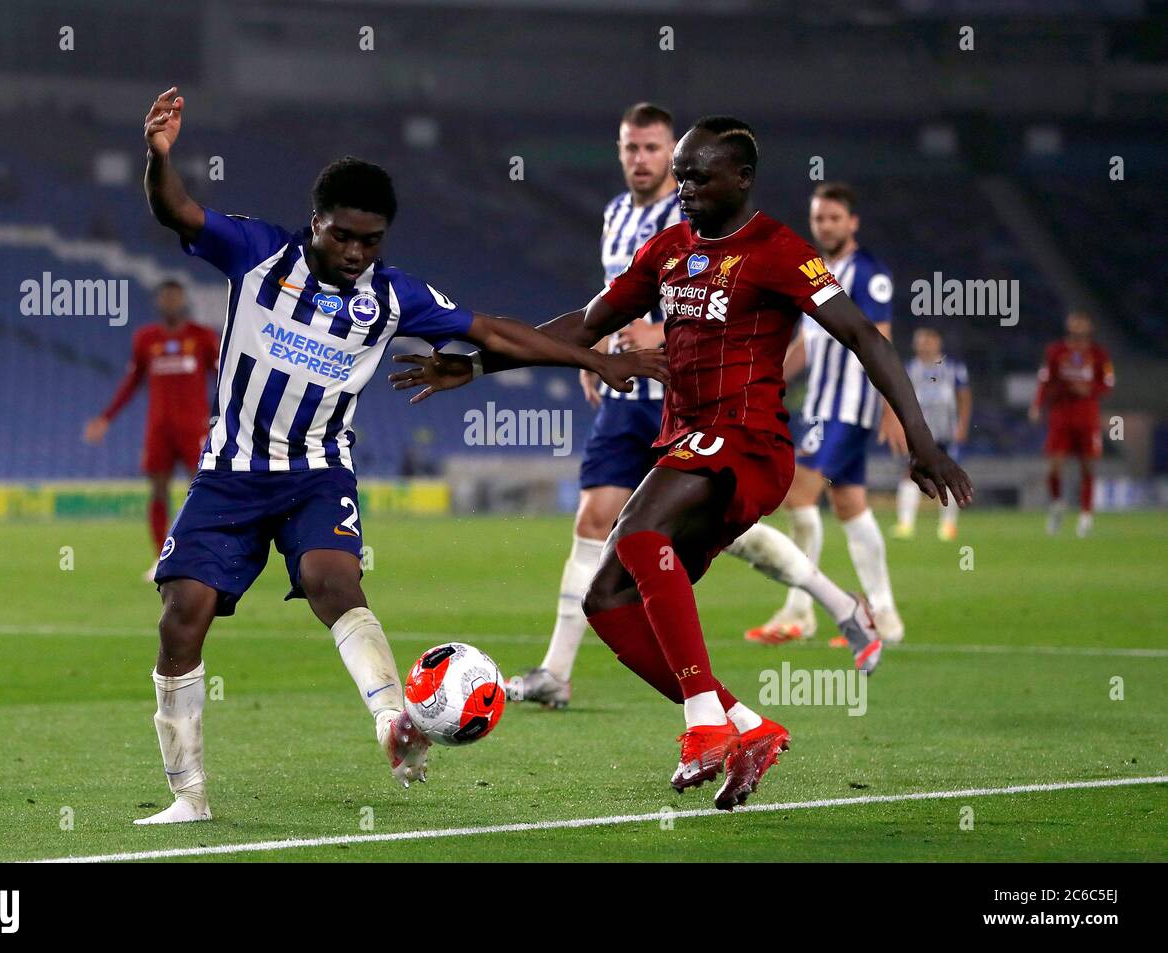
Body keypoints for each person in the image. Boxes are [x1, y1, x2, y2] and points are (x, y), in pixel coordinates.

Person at [391, 117, 971, 809]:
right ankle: (748, 726)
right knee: (607, 600)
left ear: (742, 179)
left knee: (636, 533)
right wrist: (480, 363)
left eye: (701, 175)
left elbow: (862, 338)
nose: (687, 187)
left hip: (750, 441)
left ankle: (702, 724)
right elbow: (588, 321)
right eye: (684, 174)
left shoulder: (780, 251)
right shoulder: (667, 247)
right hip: (688, 440)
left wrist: (923, 436)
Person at [135, 86, 664, 824]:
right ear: (316, 221)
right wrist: (159, 157)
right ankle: (188, 793)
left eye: (371, 240)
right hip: (232, 469)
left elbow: (493, 330)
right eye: (344, 235)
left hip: (317, 469)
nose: (356, 252)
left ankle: (395, 723)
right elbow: (177, 210)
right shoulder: (257, 253)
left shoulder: (390, 296)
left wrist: (591, 358)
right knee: (180, 616)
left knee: (333, 581)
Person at [512, 104, 880, 709]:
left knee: (696, 536)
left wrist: (660, 333)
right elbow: (604, 307)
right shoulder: (616, 217)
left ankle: (832, 610)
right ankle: (562, 671)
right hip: (632, 400)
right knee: (598, 524)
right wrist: (591, 356)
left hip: (705, 407)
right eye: (630, 148)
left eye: (652, 149)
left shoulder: (705, 217)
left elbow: (709, 309)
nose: (642, 161)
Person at [745, 182, 907, 645]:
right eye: (818, 218)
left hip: (848, 408)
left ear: (852, 222)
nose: (825, 225)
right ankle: (886, 617)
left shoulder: (869, 273)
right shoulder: (814, 273)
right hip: (821, 408)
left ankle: (800, 612)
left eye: (834, 218)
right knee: (849, 505)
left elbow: (880, 341)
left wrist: (893, 408)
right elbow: (806, 346)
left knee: (798, 495)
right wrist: (765, 378)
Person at [85, 279, 219, 580]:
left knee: (201, 491)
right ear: (159, 302)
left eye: (175, 297)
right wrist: (105, 418)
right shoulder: (146, 339)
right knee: (158, 489)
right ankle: (163, 557)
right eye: (165, 298)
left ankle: (202, 555)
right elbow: (131, 383)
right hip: (159, 429)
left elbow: (223, 379)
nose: (170, 303)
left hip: (192, 428)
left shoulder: (202, 337)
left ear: (183, 300)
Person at [1029, 310, 1114, 537]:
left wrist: (1091, 389)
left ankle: (1086, 517)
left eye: (1081, 322)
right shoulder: (1056, 351)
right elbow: (1044, 380)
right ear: (1068, 325)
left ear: (1089, 326)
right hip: (1061, 416)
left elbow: (1108, 383)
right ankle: (1057, 505)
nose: (1077, 326)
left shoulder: (1098, 353)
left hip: (1087, 417)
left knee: (1088, 466)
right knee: (1054, 466)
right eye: (1074, 322)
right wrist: (1037, 405)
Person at [892, 327, 971, 541]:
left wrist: (963, 425)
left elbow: (964, 397)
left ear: (938, 343)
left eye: (929, 340)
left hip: (946, 431)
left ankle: (948, 526)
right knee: (910, 474)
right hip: (918, 432)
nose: (925, 345)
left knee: (949, 474)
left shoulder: (954, 368)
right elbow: (895, 398)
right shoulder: (908, 369)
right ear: (915, 344)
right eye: (921, 341)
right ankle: (905, 524)